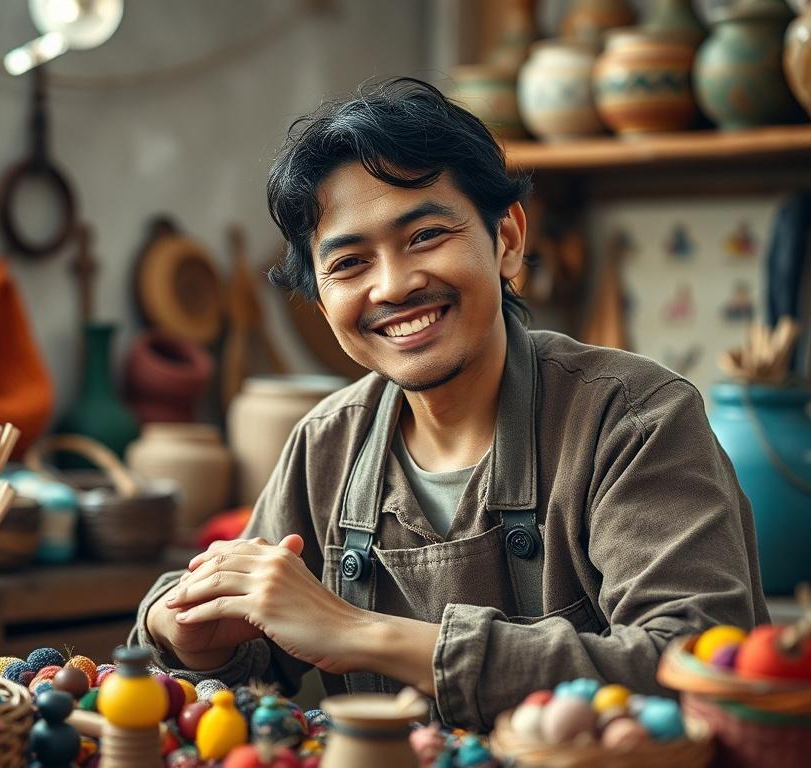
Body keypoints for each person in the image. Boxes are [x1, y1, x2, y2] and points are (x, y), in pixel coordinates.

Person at [129, 77, 768, 729]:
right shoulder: (328, 442)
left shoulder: (633, 418)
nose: (395, 284)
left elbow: (694, 667)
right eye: (349, 264)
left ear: (508, 238)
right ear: (322, 303)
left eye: (426, 235)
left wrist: (357, 633)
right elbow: (233, 636)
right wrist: (180, 629)